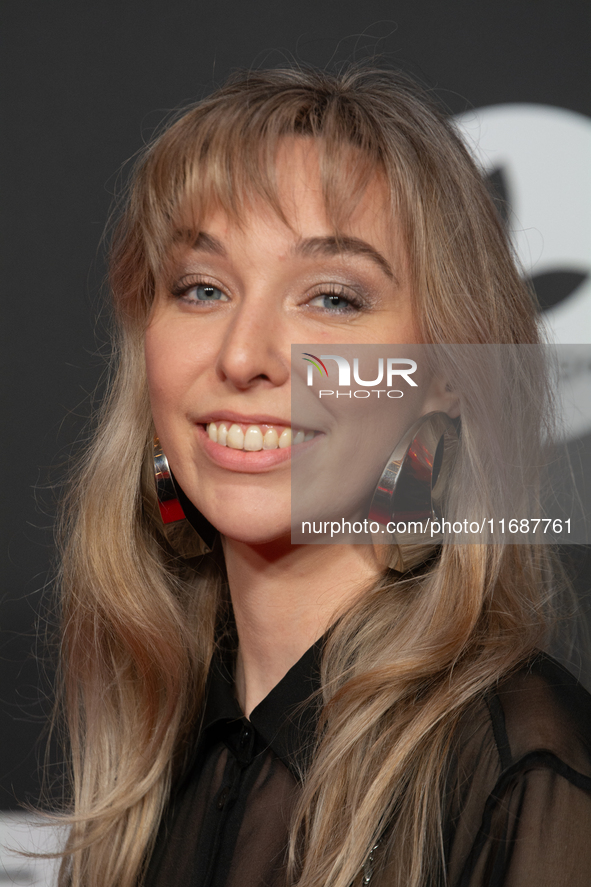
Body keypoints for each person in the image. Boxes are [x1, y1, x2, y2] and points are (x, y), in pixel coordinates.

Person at [54, 67, 591, 887]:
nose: (242, 355)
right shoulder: (154, 766)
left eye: (333, 298)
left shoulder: (516, 768)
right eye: (202, 287)